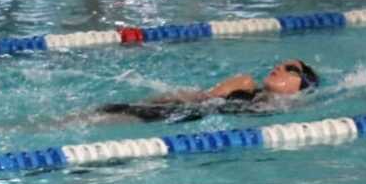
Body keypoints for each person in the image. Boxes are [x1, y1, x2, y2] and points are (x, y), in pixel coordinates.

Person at [99, 59, 319, 124]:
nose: (279, 67)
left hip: (182, 118)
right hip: (171, 113)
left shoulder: (293, 107)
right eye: (281, 65)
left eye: (291, 69)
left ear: (303, 85)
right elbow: (199, 97)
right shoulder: (245, 85)